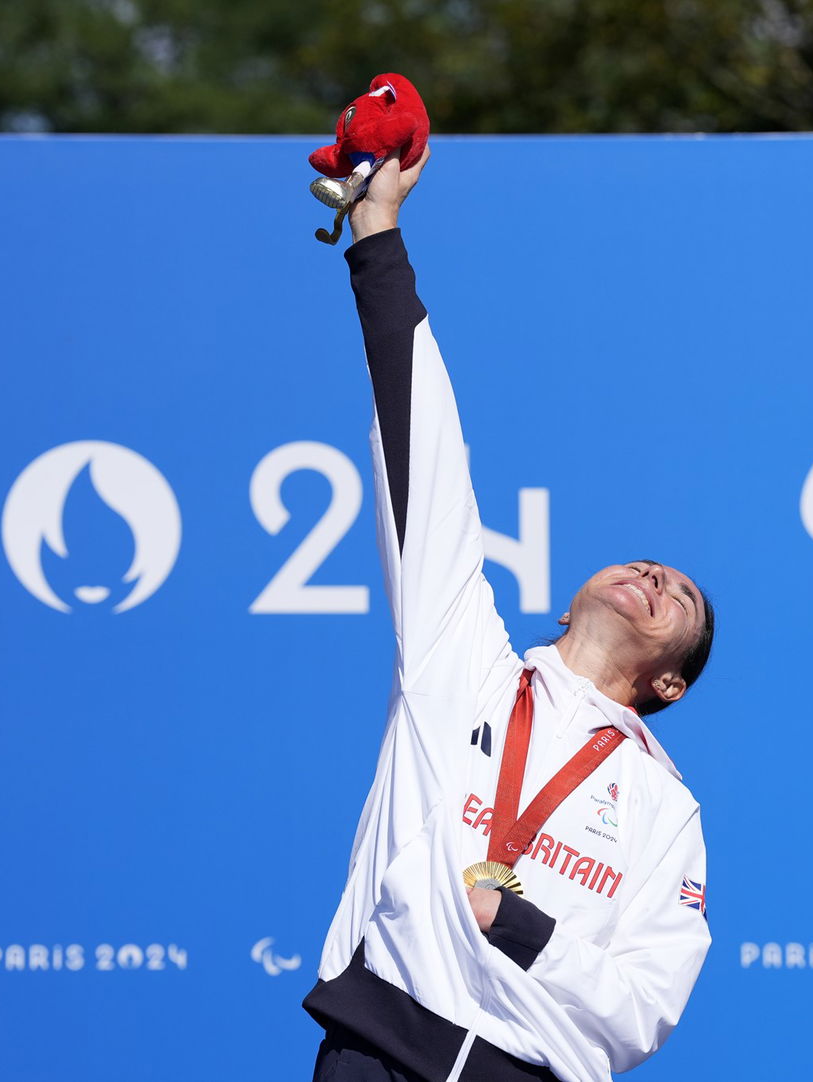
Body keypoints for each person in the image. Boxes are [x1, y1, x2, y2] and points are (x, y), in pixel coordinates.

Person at [304, 146, 715, 1082]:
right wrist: (377, 232)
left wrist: (525, 927)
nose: (652, 575)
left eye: (678, 595)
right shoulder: (464, 660)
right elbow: (424, 446)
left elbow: (647, 1005)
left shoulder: (664, 805)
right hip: (379, 1039)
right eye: (645, 563)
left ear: (670, 681)